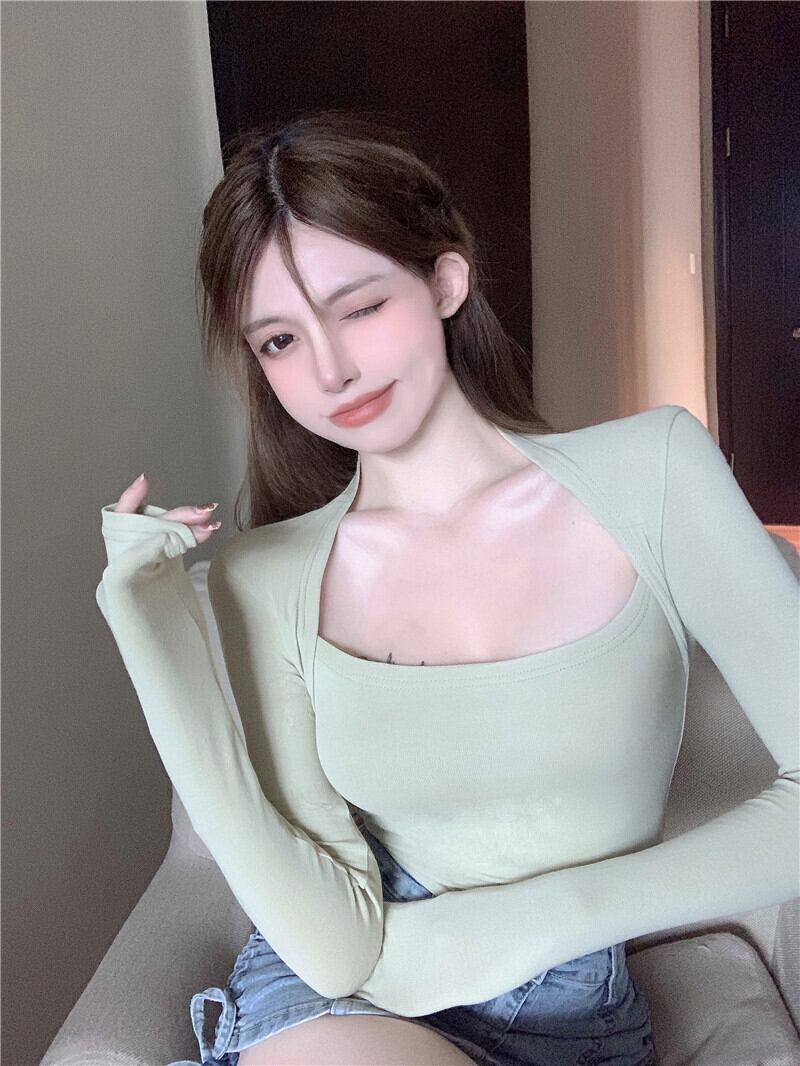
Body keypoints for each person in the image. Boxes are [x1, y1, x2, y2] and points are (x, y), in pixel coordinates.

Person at [97, 110, 798, 1066]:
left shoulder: (655, 472)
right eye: (280, 341)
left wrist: (546, 917)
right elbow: (333, 945)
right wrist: (149, 630)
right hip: (349, 992)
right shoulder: (266, 574)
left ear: (445, 281)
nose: (332, 370)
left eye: (359, 308)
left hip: (569, 1007)